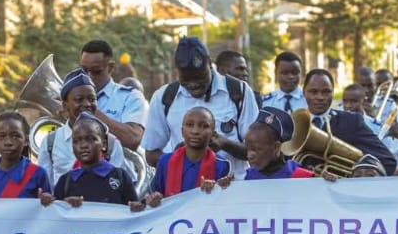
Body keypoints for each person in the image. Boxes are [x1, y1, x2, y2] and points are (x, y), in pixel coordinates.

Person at [142, 36, 256, 169]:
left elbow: (256, 150)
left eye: (199, 77)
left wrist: (225, 144)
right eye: (185, 79)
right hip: (185, 189)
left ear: (210, 64)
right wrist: (178, 156)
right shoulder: (164, 97)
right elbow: (151, 155)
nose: (193, 84)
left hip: (232, 187)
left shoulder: (239, 92)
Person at [43, 69, 132, 185]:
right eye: (79, 99)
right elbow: (45, 188)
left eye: (92, 99)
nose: (87, 104)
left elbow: (118, 186)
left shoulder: (111, 142)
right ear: (65, 106)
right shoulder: (50, 142)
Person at [301, 70, 398, 172]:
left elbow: (387, 160)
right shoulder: (292, 124)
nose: (320, 97)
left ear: (333, 93)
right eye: (313, 92)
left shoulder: (351, 122)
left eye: (326, 92)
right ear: (304, 92)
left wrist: (355, 173)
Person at [78, 39, 148, 153]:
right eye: (84, 70)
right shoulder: (73, 98)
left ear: (110, 67)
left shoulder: (131, 97)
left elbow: (133, 140)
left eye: (96, 71)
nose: (89, 77)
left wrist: (89, 111)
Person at [0, 111, 51, 201]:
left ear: (26, 140)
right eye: (2, 136)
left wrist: (47, 200)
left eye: (15, 136)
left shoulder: (38, 174)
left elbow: (48, 210)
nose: (8, 142)